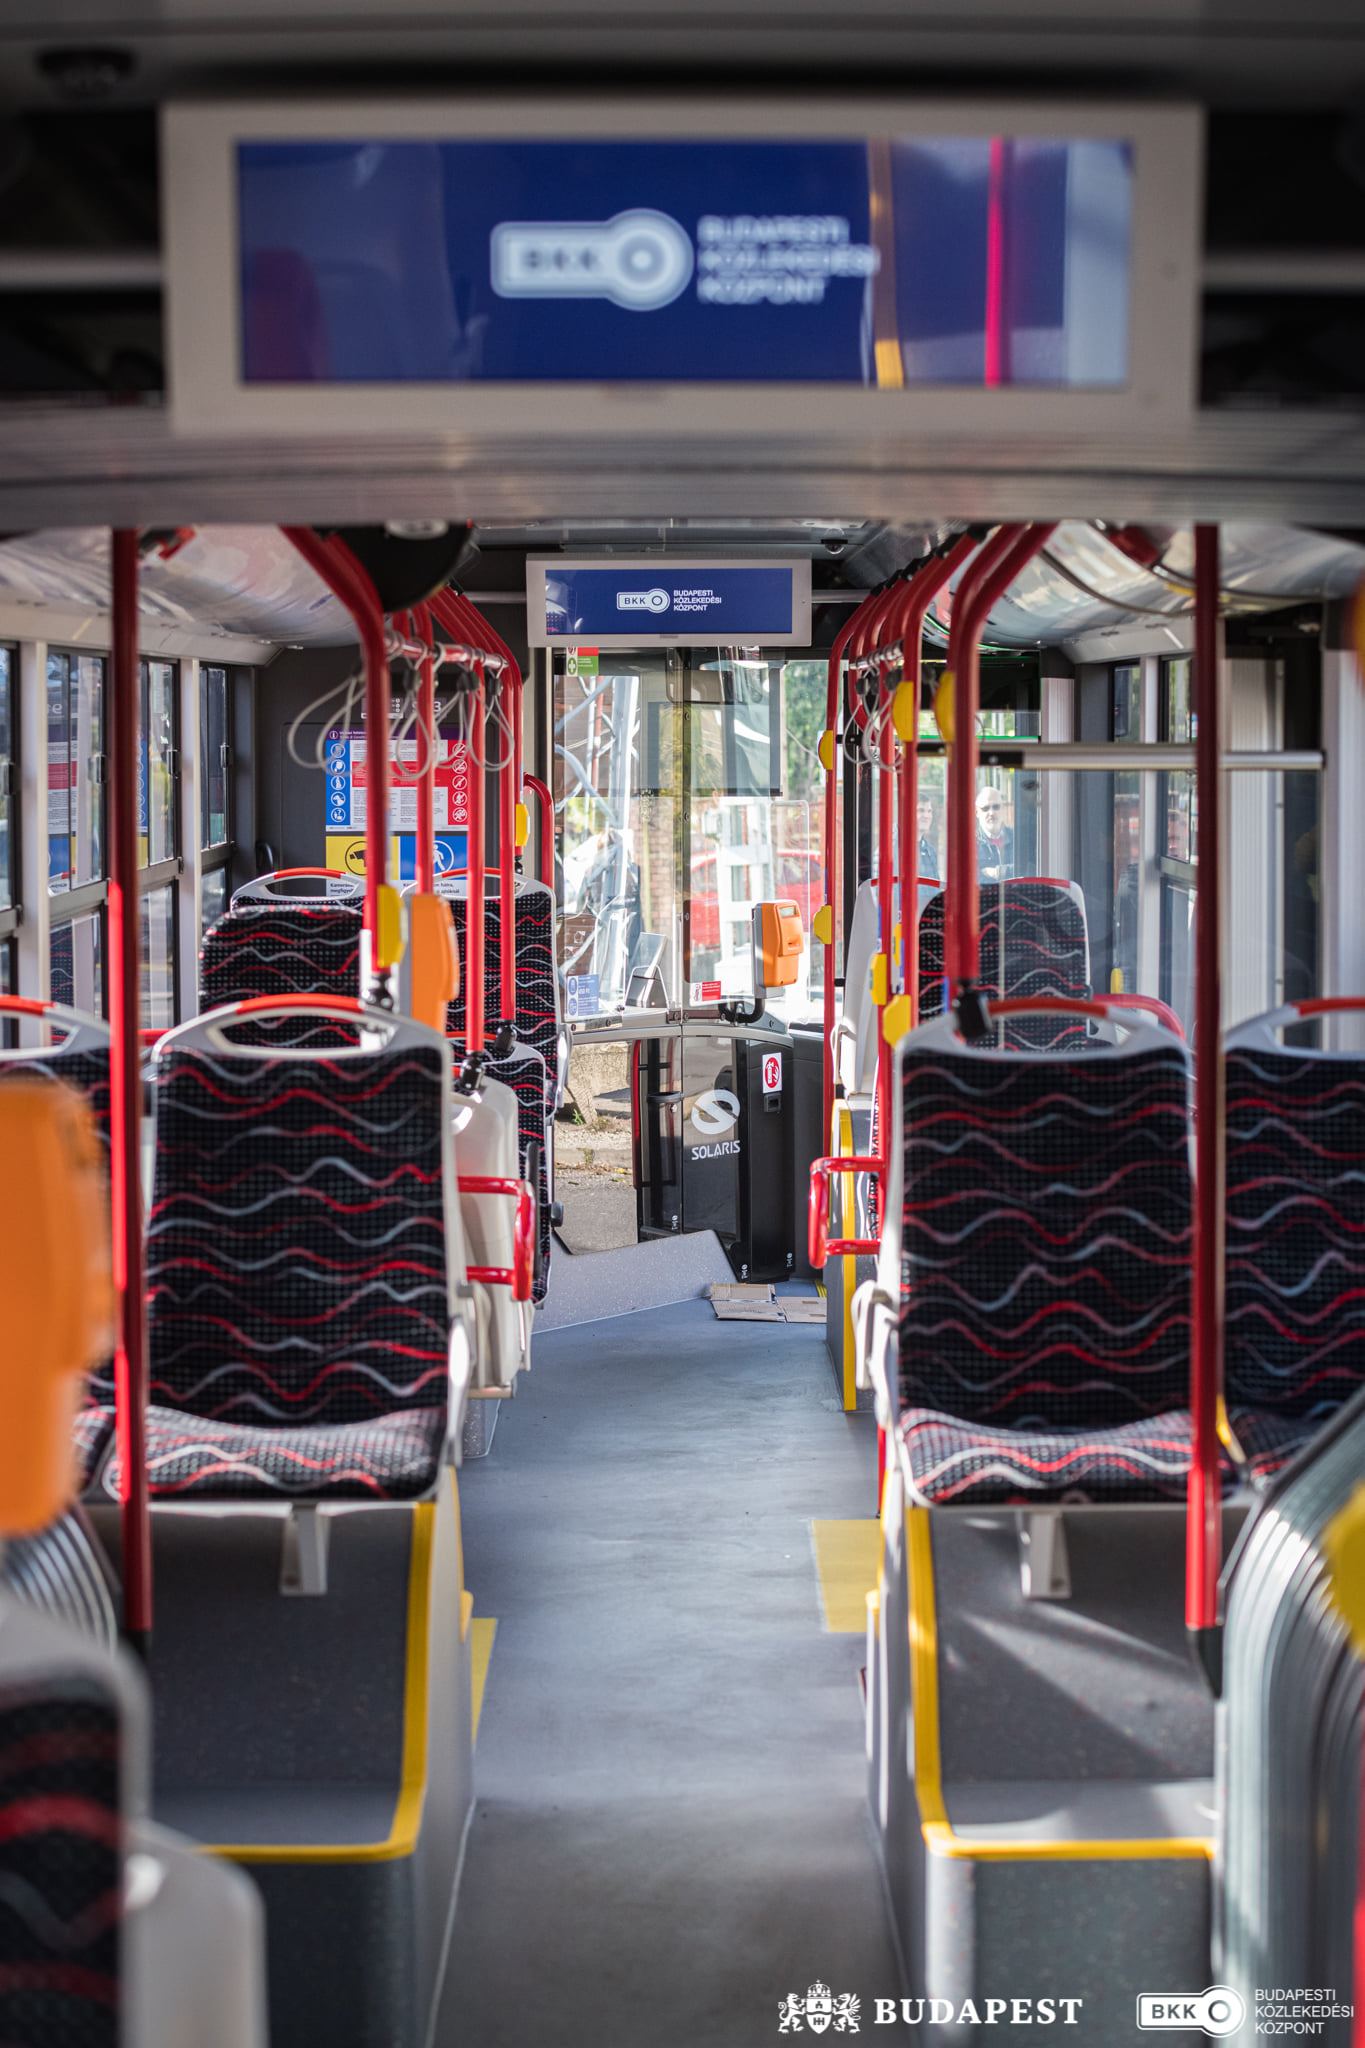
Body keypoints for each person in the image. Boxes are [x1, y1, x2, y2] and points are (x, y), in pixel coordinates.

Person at [975, 786, 1014, 882]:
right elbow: (973, 879)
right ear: (977, 812)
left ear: (1003, 809)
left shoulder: (1018, 838)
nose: (991, 812)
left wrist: (998, 872)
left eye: (996, 807)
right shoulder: (969, 843)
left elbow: (1029, 869)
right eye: (986, 808)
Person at [916, 792, 940, 882]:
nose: (926, 816)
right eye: (921, 810)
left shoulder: (930, 851)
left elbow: (936, 888)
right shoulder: (892, 849)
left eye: (929, 811)